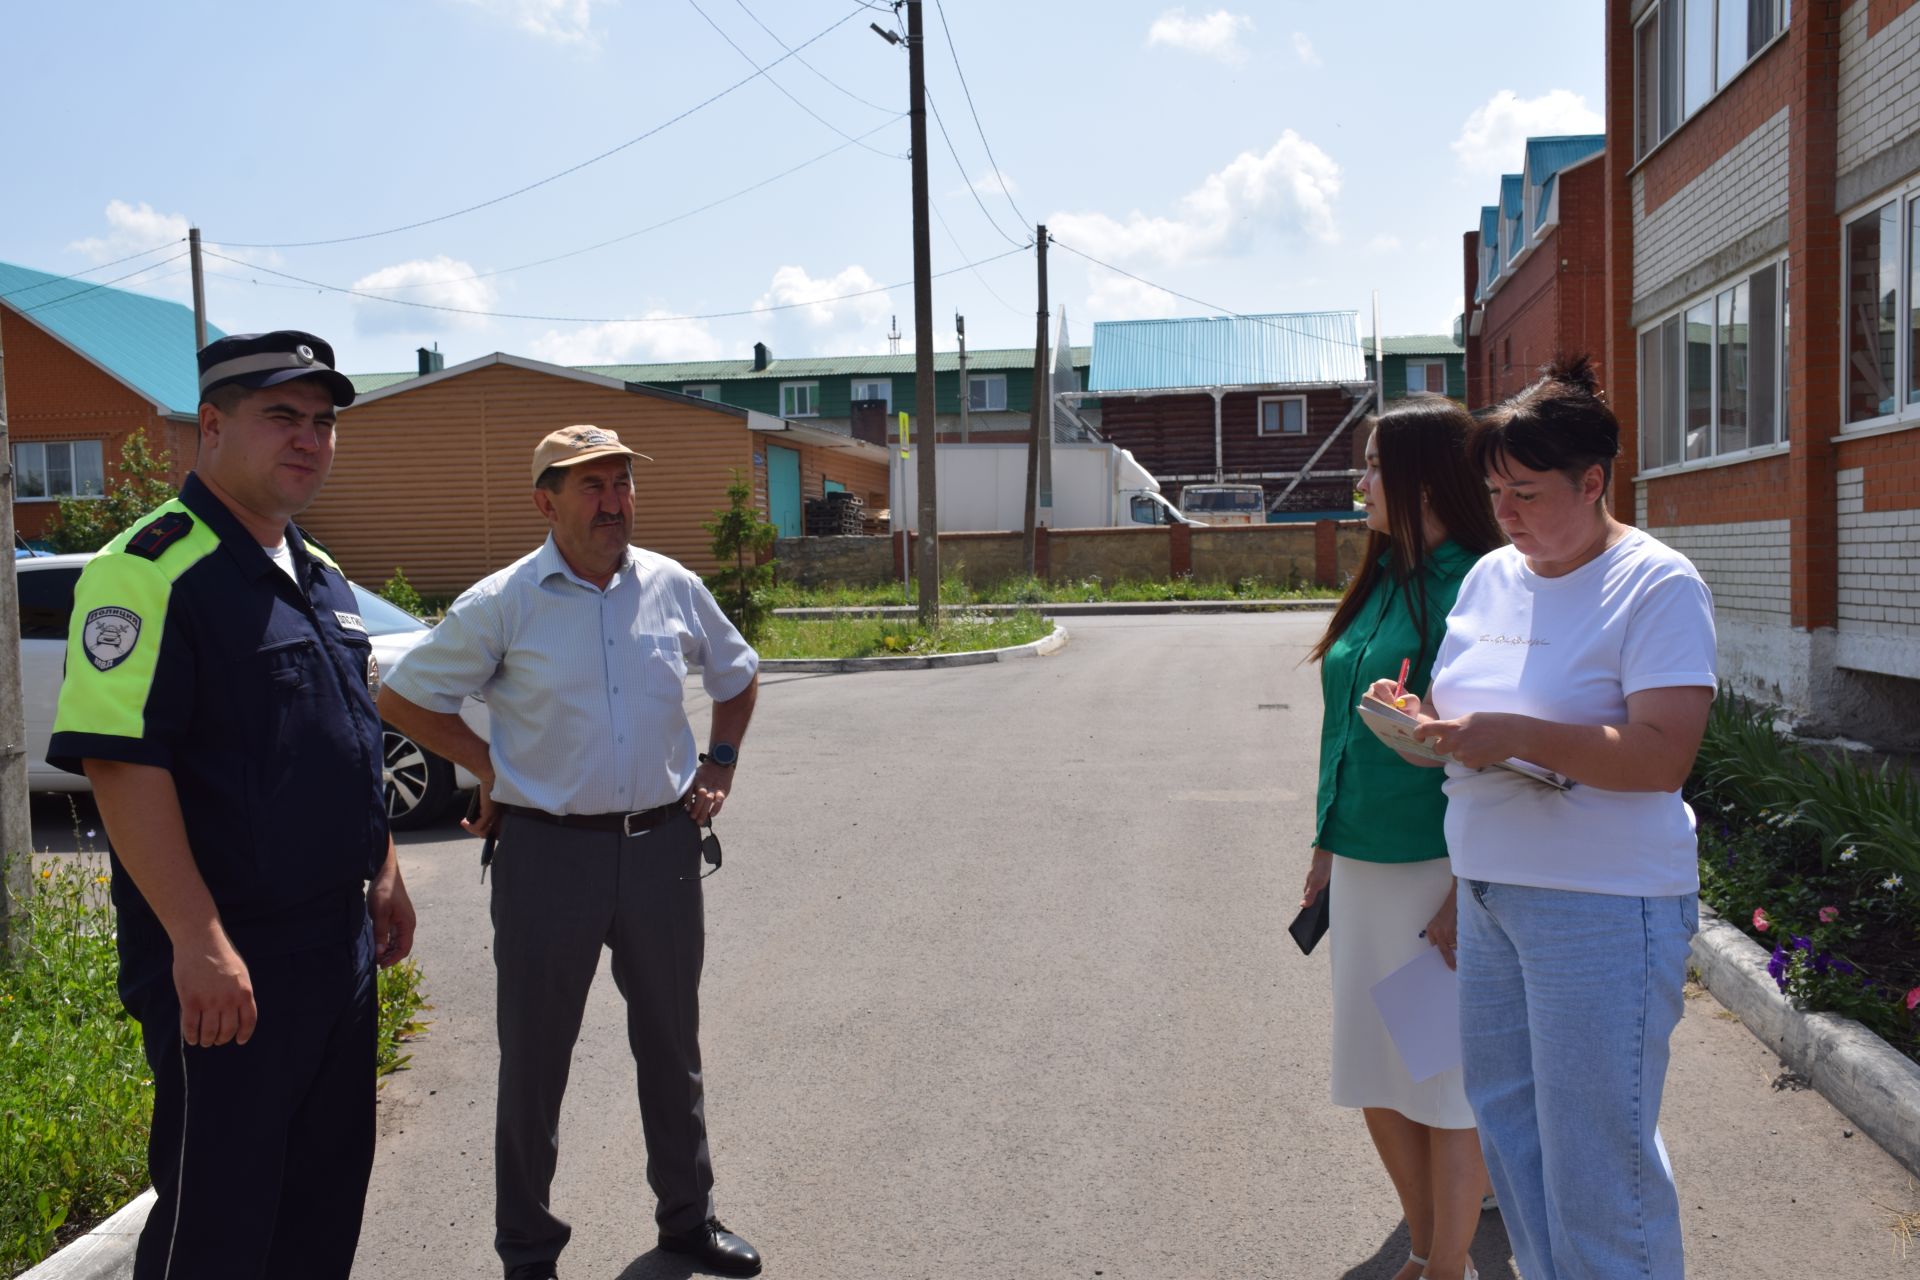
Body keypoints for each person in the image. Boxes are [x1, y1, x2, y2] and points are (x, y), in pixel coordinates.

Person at [48, 330, 415, 1279]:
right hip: (230, 966)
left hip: (338, 951)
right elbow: (123, 765)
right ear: (211, 427)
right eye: (281, 416)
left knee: (321, 1206)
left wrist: (384, 869)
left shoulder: (321, 575)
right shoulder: (146, 571)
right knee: (219, 1223)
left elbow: (342, 736)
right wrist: (198, 939)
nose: (310, 439)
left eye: (324, 422)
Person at [378, 425, 763, 1280]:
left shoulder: (671, 586)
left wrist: (720, 763)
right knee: (536, 1060)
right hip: (547, 858)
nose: (614, 501)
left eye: (623, 482)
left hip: (662, 850)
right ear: (544, 501)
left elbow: (737, 674)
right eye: (591, 486)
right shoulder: (504, 601)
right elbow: (401, 697)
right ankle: (527, 1252)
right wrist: (490, 766)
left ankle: (688, 1222)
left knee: (673, 1045)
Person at [1386, 355, 1717, 1280]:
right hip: (1494, 890)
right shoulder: (1494, 575)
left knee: (1596, 1159)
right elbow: (1473, 710)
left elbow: (1660, 756)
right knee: (1516, 1135)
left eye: (1527, 492)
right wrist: (1420, 725)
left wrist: (1514, 735)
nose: (1507, 514)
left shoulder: (1655, 584)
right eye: (1496, 492)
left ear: (1594, 481)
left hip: (1603, 903)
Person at [1302, 395, 1505, 1280]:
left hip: (1436, 870)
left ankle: (1448, 1264)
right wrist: (1322, 844)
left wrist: (1471, 889)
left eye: (1376, 465)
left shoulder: (1477, 586)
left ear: (1424, 478)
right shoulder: (1384, 573)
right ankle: (1426, 1247)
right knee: (1377, 1078)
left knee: (1444, 1087)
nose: (1360, 481)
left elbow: (1501, 753)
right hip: (1362, 864)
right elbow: (1339, 728)